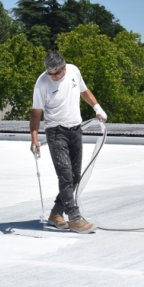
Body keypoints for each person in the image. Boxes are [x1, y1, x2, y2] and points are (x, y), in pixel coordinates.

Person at [30, 52, 107, 234]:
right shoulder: (42, 84)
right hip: (56, 132)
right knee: (65, 175)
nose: (53, 77)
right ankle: (74, 218)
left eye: (57, 73)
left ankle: (56, 213)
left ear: (64, 68)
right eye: (50, 73)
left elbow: (84, 91)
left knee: (75, 177)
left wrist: (97, 108)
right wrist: (34, 139)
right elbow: (36, 114)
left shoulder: (73, 71)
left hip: (75, 130)